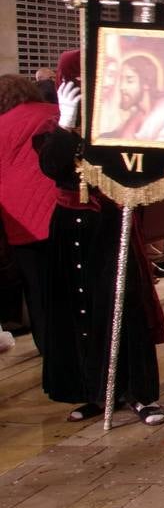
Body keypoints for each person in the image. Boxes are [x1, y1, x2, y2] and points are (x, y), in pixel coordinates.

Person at [38, 54, 164, 424]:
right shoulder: (54, 126)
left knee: (123, 305)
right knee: (79, 308)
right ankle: (93, 390)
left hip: (110, 223)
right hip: (68, 225)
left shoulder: (121, 121)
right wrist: (66, 122)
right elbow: (51, 167)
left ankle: (139, 392)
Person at [0, 73, 60, 353]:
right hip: (65, 212)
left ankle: (50, 349)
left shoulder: (1, 126)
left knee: (37, 290)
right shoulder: (55, 113)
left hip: (21, 222)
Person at [100, 52, 164, 144]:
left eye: (129, 80)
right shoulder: (133, 117)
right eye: (121, 80)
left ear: (146, 83)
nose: (121, 87)